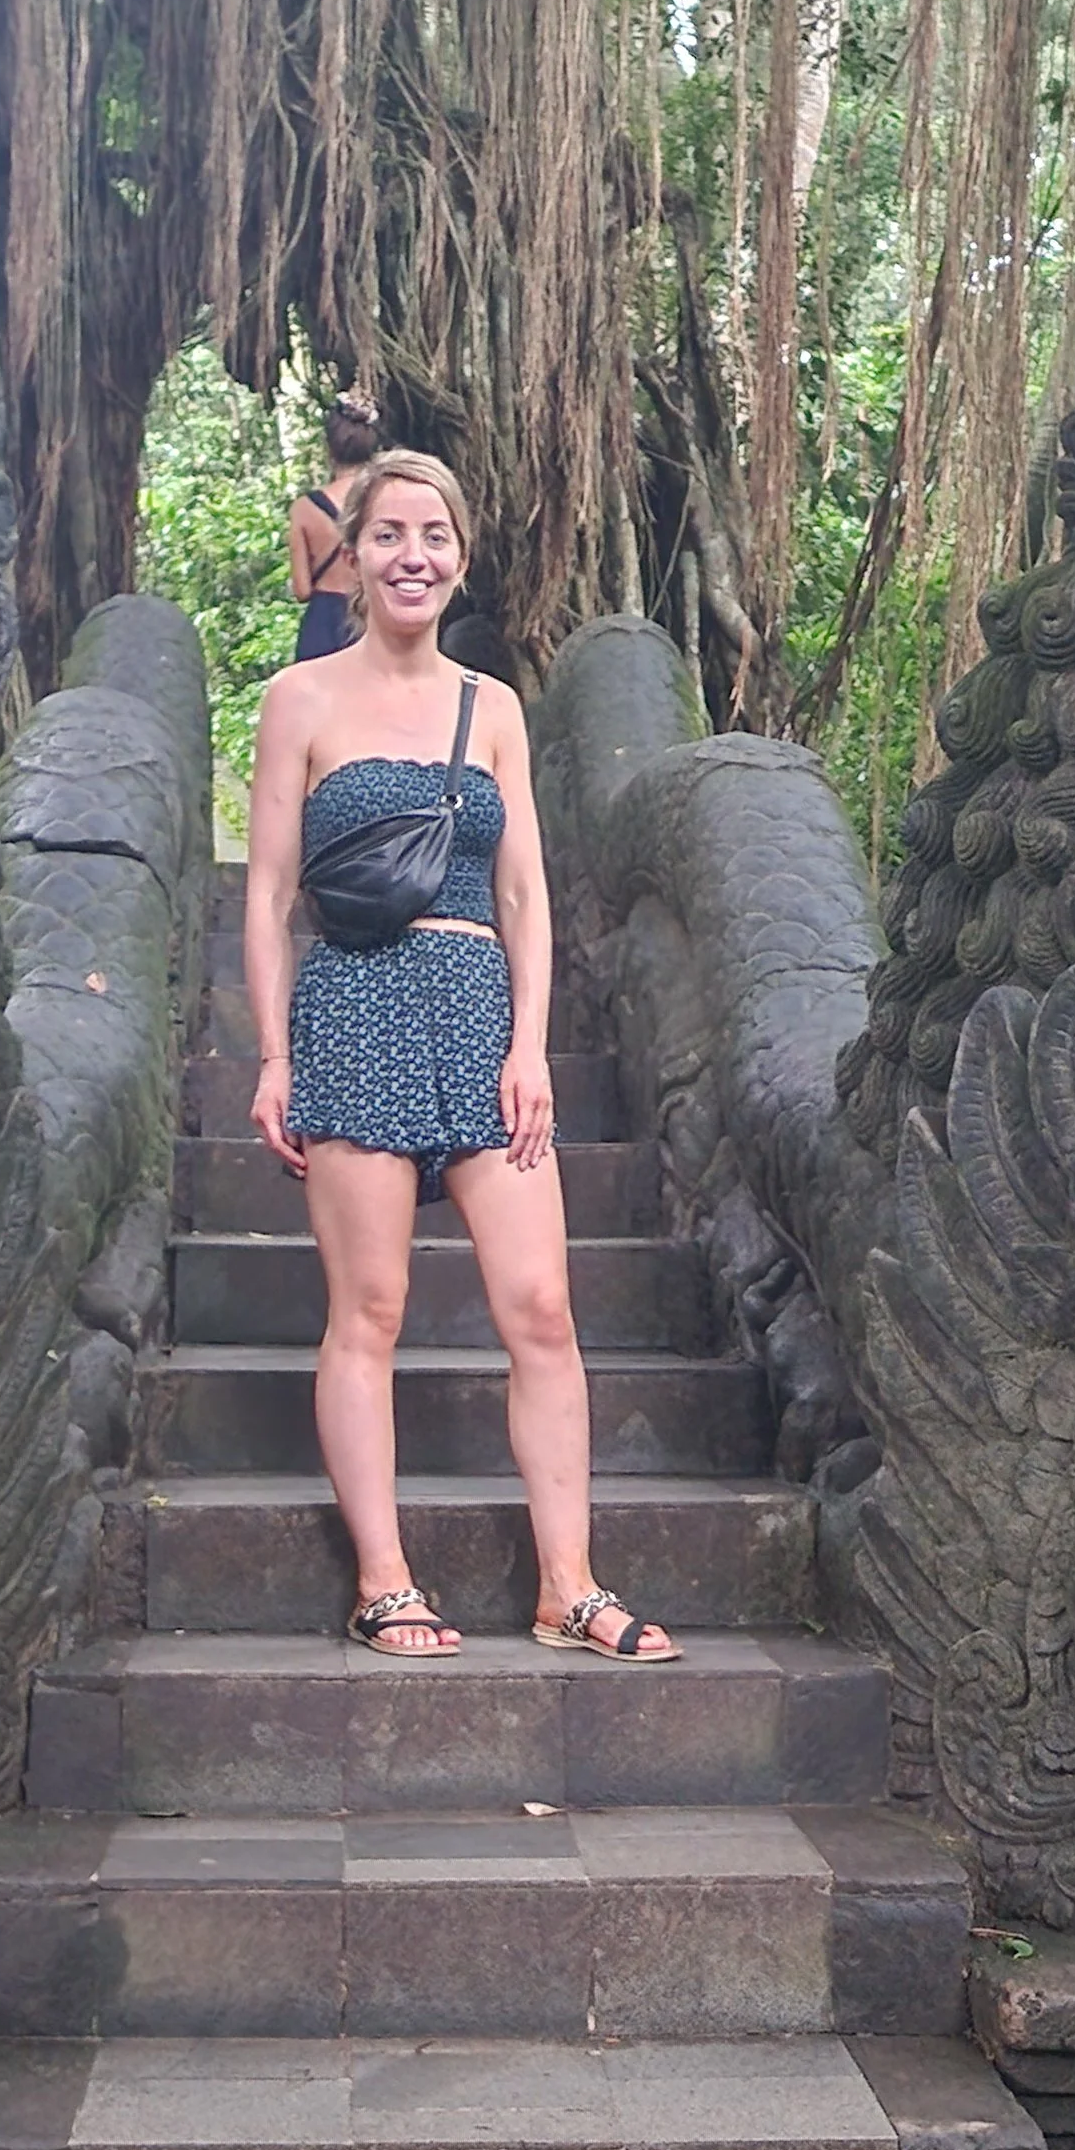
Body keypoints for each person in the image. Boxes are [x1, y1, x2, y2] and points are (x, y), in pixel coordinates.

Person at [245, 446, 677, 1663]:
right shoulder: (300, 701)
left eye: (432, 536)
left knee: (540, 1306)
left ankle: (567, 1587)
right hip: (354, 1004)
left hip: (477, 1007)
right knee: (369, 1309)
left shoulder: (491, 708)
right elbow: (269, 893)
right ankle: (383, 1582)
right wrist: (273, 1056)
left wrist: (528, 1047)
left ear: (460, 557)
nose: (411, 556)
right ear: (351, 555)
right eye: (387, 534)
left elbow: (525, 894)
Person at [288, 398, 380, 662]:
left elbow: (302, 590)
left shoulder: (304, 508)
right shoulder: (383, 500)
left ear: (329, 449)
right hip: (371, 616)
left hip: (323, 623)